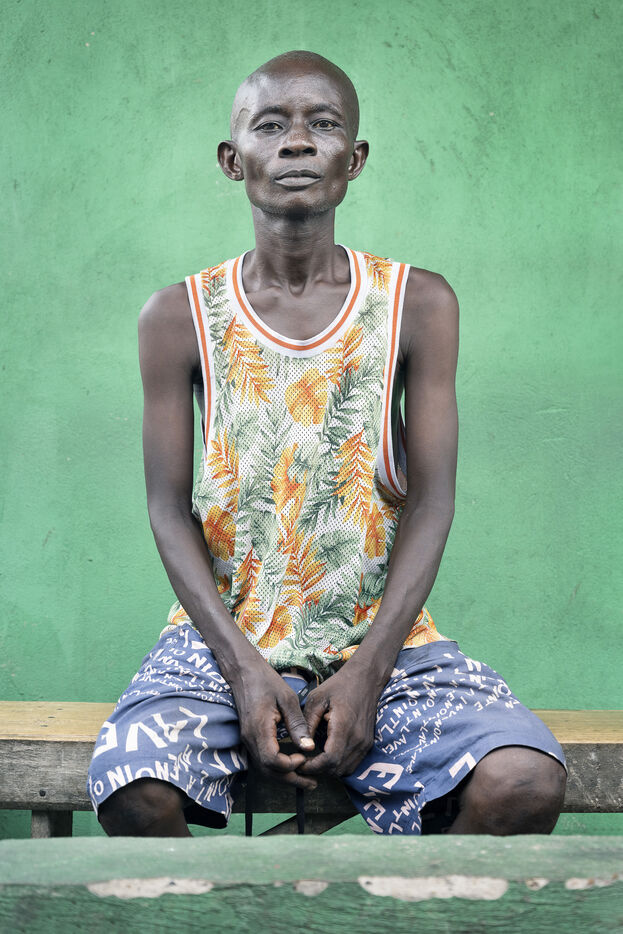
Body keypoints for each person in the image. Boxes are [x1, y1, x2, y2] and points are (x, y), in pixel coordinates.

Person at [87, 50, 566, 836]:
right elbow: (168, 509)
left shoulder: (417, 304)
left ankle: (379, 894)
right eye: (270, 125)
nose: (298, 141)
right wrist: (242, 668)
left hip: (385, 645)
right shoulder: (177, 316)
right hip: (220, 644)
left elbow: (431, 502)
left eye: (323, 123)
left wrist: (370, 671)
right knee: (134, 790)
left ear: (355, 157)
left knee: (523, 782)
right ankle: (242, 900)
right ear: (231, 159)